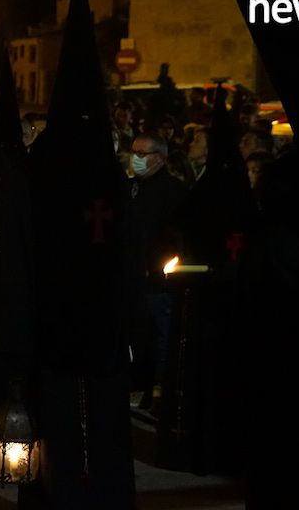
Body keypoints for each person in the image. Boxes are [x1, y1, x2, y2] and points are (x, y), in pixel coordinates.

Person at [123, 133, 187, 412]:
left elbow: (174, 236)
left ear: (159, 158)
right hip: (132, 277)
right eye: (134, 151)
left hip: (156, 278)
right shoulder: (130, 187)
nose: (136, 158)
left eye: (143, 153)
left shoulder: (173, 191)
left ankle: (158, 390)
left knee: (158, 336)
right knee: (136, 334)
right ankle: (137, 384)